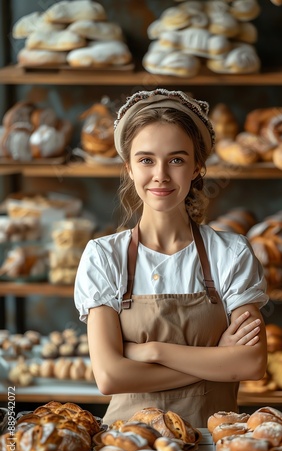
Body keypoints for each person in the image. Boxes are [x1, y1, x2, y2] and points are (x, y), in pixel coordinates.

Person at [74, 88, 268, 427]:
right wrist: (216, 360)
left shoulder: (231, 253)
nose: (161, 174)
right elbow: (110, 377)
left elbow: (251, 363)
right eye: (146, 159)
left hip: (214, 446)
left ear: (196, 168)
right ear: (129, 168)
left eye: (176, 159)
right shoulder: (104, 256)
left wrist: (152, 352)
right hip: (127, 448)